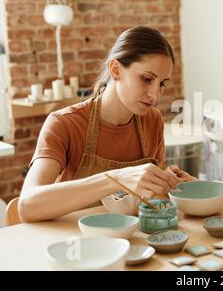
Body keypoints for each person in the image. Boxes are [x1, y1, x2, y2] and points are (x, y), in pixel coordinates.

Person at [19, 26, 195, 222]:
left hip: (130, 242)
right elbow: (28, 205)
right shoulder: (64, 124)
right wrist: (116, 180)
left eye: (162, 83)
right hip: (73, 243)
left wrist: (173, 184)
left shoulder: (152, 120)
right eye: (146, 79)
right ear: (115, 69)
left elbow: (151, 199)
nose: (155, 94)